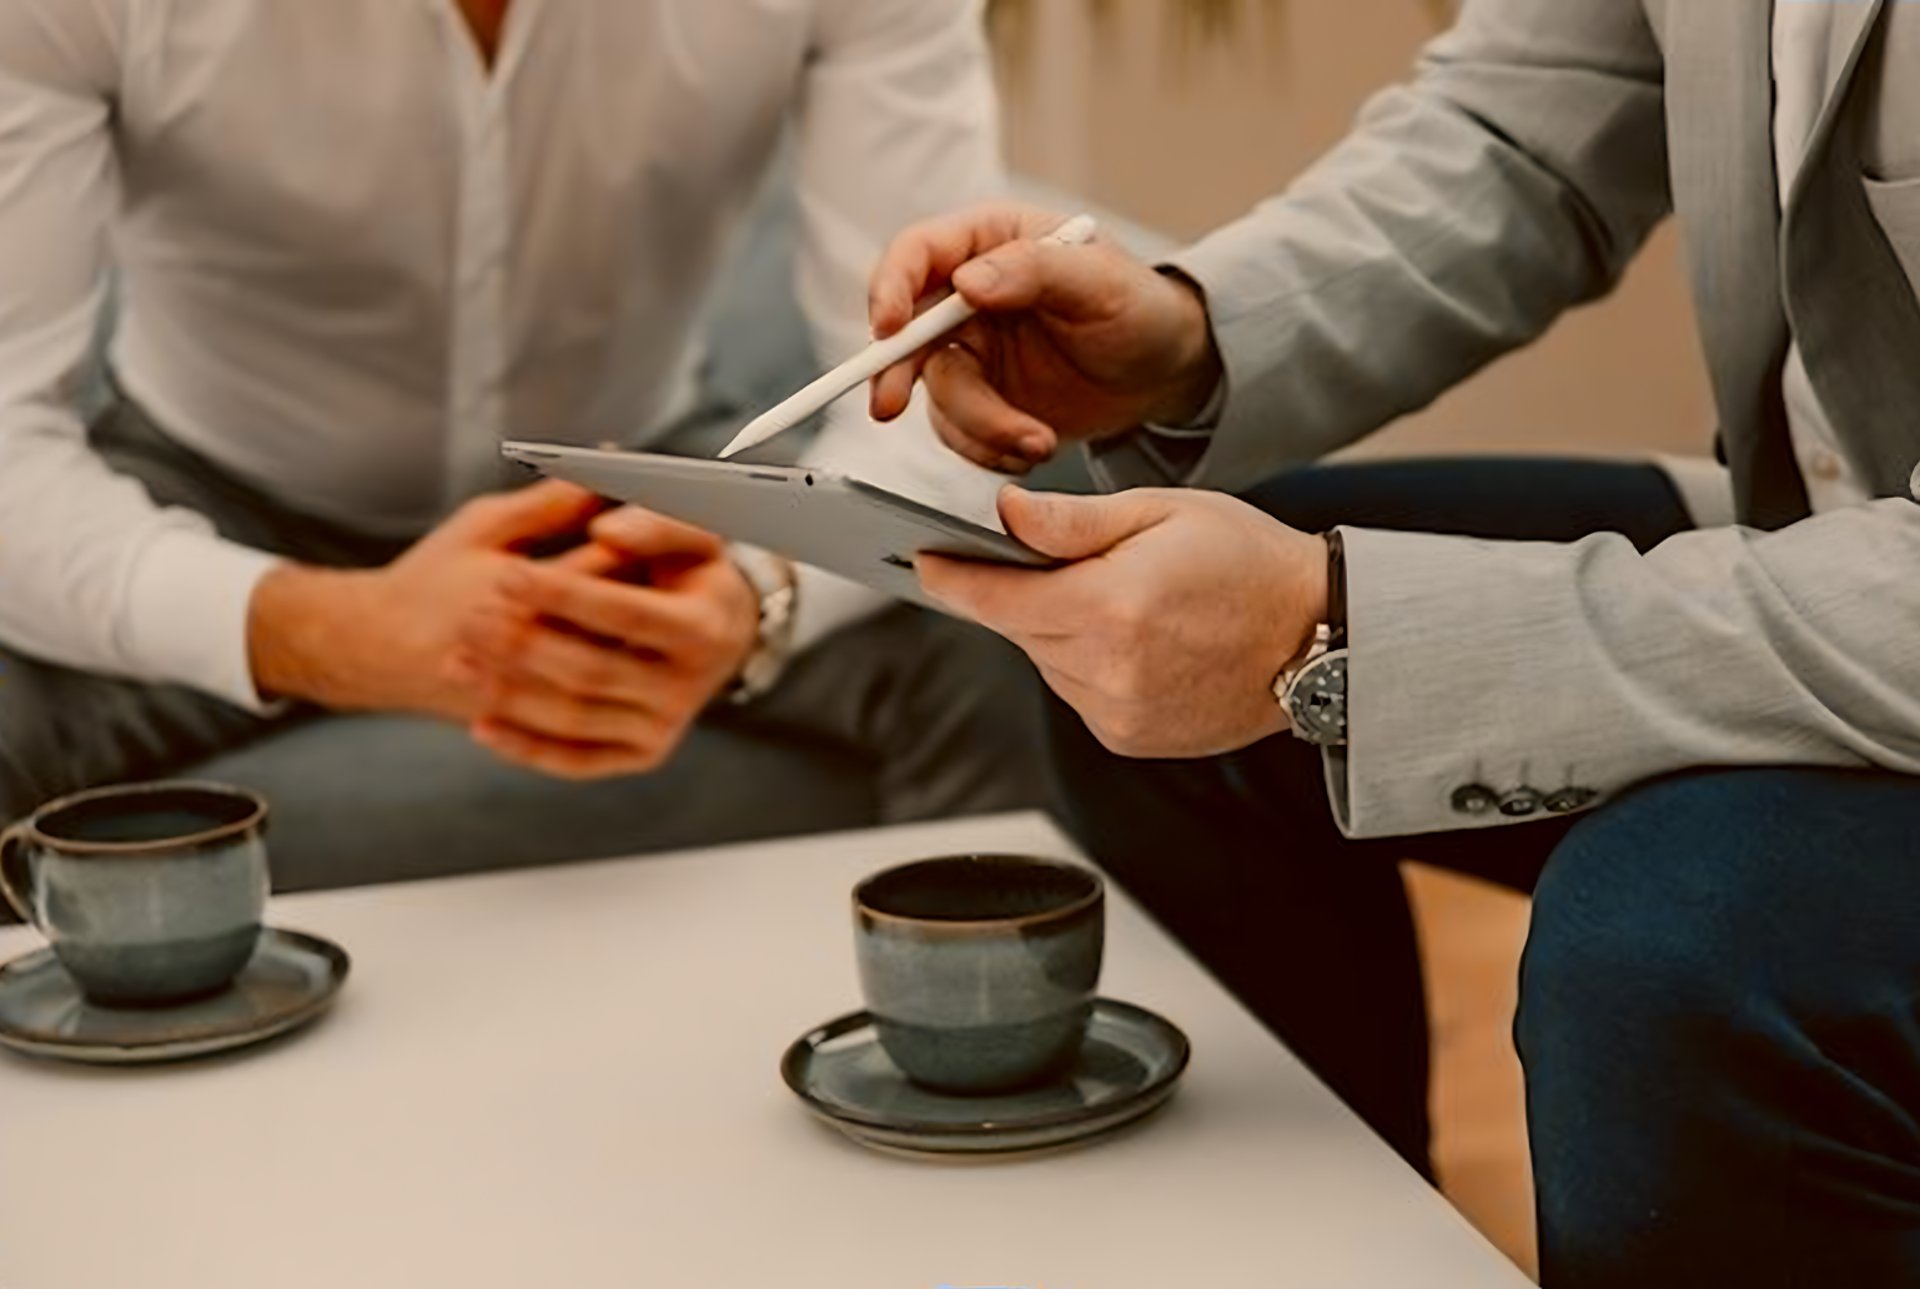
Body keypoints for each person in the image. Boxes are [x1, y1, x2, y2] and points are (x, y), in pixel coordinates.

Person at [865, 2, 1920, 1285]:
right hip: (1832, 528)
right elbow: (1530, 120)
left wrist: (1343, 634)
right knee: (1161, 689)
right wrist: (1193, 337)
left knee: (1668, 953)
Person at [0, 0, 1050, 884]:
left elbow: (941, 386)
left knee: (994, 627)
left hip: (638, 488)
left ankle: (981, 1082)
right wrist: (316, 627)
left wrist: (754, 593)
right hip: (219, 487)